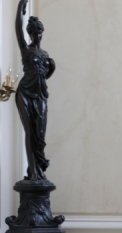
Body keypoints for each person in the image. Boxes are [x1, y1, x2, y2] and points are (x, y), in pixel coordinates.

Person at [15, 0, 55, 180]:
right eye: (35, 33)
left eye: (40, 33)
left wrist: (52, 68)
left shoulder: (45, 54)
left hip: (40, 96)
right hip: (25, 93)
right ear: (30, 34)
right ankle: (33, 175)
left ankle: (36, 170)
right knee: (30, 131)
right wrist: (20, 6)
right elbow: (17, 27)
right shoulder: (25, 49)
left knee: (40, 134)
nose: (38, 35)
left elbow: (44, 76)